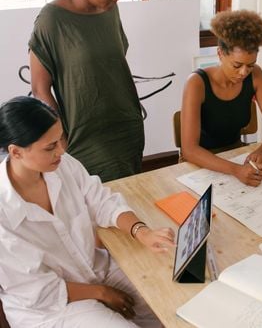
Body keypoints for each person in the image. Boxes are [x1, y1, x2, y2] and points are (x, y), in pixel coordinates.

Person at [0, 96, 176, 327]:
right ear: (16, 152)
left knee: (170, 303)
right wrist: (101, 293)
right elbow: (37, 290)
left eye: (61, 139)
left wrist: (141, 231)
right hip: (49, 307)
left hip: (94, 268)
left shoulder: (62, 164)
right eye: (50, 147)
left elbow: (102, 201)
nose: (61, 151)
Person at [28, 0, 144, 182]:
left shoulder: (109, 8)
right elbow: (40, 88)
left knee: (130, 195)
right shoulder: (52, 19)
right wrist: (59, 137)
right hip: (84, 133)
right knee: (94, 203)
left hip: (126, 123)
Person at [180, 10, 262, 187]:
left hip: (236, 155)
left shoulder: (255, 76)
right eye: (237, 65)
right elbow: (189, 150)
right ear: (220, 54)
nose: (244, 72)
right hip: (200, 164)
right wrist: (236, 170)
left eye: (250, 65)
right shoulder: (196, 83)